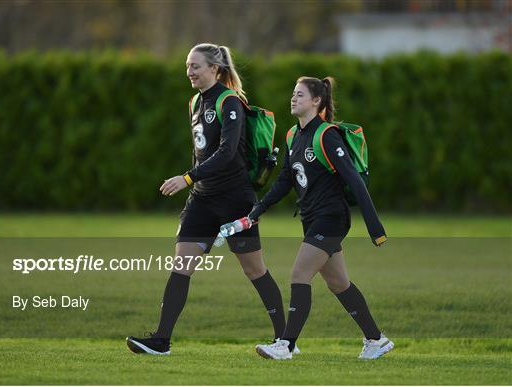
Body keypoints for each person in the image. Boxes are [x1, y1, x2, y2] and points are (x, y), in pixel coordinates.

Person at [126, 43, 287, 355]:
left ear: (215, 69)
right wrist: (194, 184)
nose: (190, 72)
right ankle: (161, 340)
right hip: (202, 201)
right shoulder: (194, 102)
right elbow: (199, 152)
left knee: (254, 270)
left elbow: (227, 154)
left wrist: (186, 178)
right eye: (187, 66)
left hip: (234, 201)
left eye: (196, 66)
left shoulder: (230, 102)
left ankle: (285, 339)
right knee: (181, 266)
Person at [250, 76, 394, 360]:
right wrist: (258, 209)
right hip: (311, 218)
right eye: (293, 93)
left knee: (299, 274)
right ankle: (377, 339)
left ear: (316, 101)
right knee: (339, 284)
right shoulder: (293, 135)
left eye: (300, 95)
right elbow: (285, 180)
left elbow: (354, 180)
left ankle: (286, 345)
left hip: (332, 219)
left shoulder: (326, 135)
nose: (293, 98)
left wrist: (375, 227)